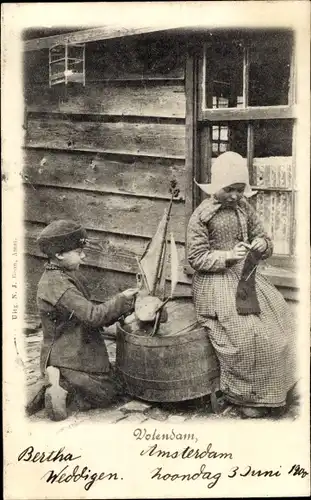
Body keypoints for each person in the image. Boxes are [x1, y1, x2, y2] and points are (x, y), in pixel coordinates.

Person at [187, 151, 297, 418]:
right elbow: (196, 258)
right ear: (217, 186)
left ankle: (279, 389)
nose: (235, 196)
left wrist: (262, 245)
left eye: (239, 190)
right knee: (249, 335)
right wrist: (226, 256)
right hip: (216, 283)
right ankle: (249, 398)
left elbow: (264, 238)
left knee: (280, 321)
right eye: (229, 190)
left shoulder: (243, 208)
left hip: (246, 276)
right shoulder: (202, 216)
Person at [26, 219, 138, 421]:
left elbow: (87, 316)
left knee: (114, 381)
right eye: (78, 252)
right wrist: (122, 300)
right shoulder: (59, 285)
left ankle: (56, 382)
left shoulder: (61, 275)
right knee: (109, 393)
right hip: (68, 356)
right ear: (59, 255)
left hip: (74, 350)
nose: (83, 256)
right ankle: (62, 388)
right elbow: (93, 317)